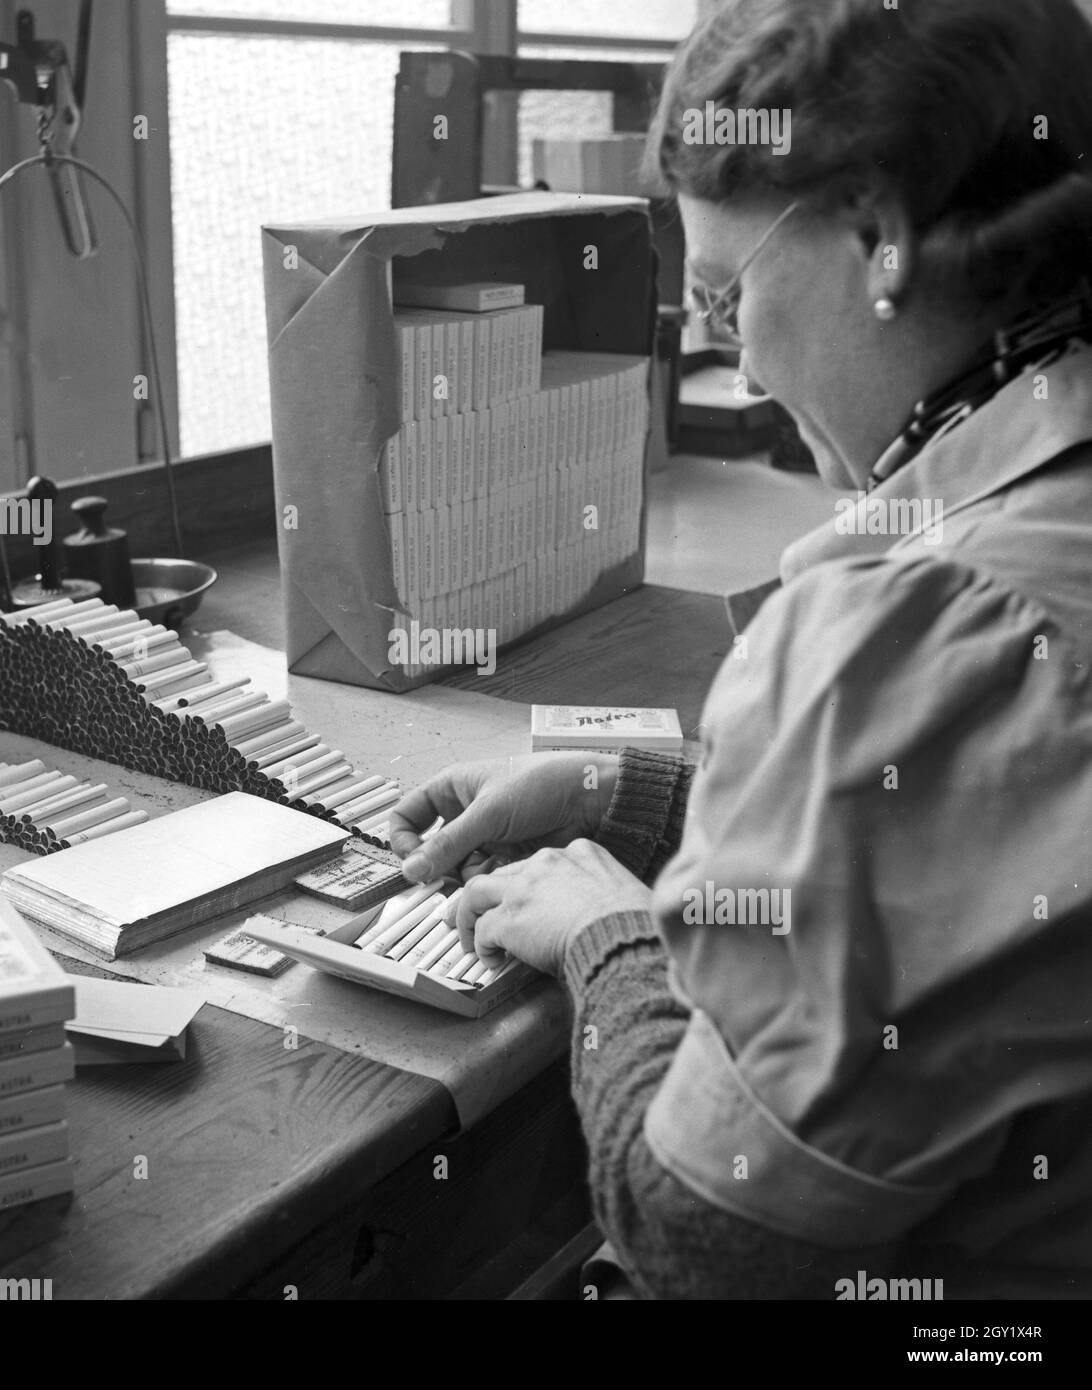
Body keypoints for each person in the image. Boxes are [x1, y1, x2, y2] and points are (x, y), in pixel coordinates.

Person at [388, 0, 1092, 1299]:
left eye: (726, 293)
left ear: (877, 233)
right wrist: (635, 788)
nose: (740, 361)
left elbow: (709, 1241)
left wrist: (611, 938)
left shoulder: (930, 626)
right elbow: (970, 849)